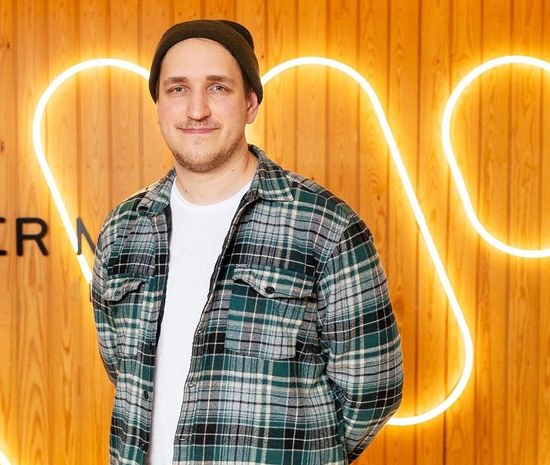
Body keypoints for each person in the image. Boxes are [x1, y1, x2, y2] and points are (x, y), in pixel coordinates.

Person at [91, 19, 404, 465]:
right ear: (158, 105)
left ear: (251, 103)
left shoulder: (325, 226)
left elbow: (373, 391)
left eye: (218, 88)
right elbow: (122, 369)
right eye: (178, 89)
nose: (196, 110)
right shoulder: (123, 228)